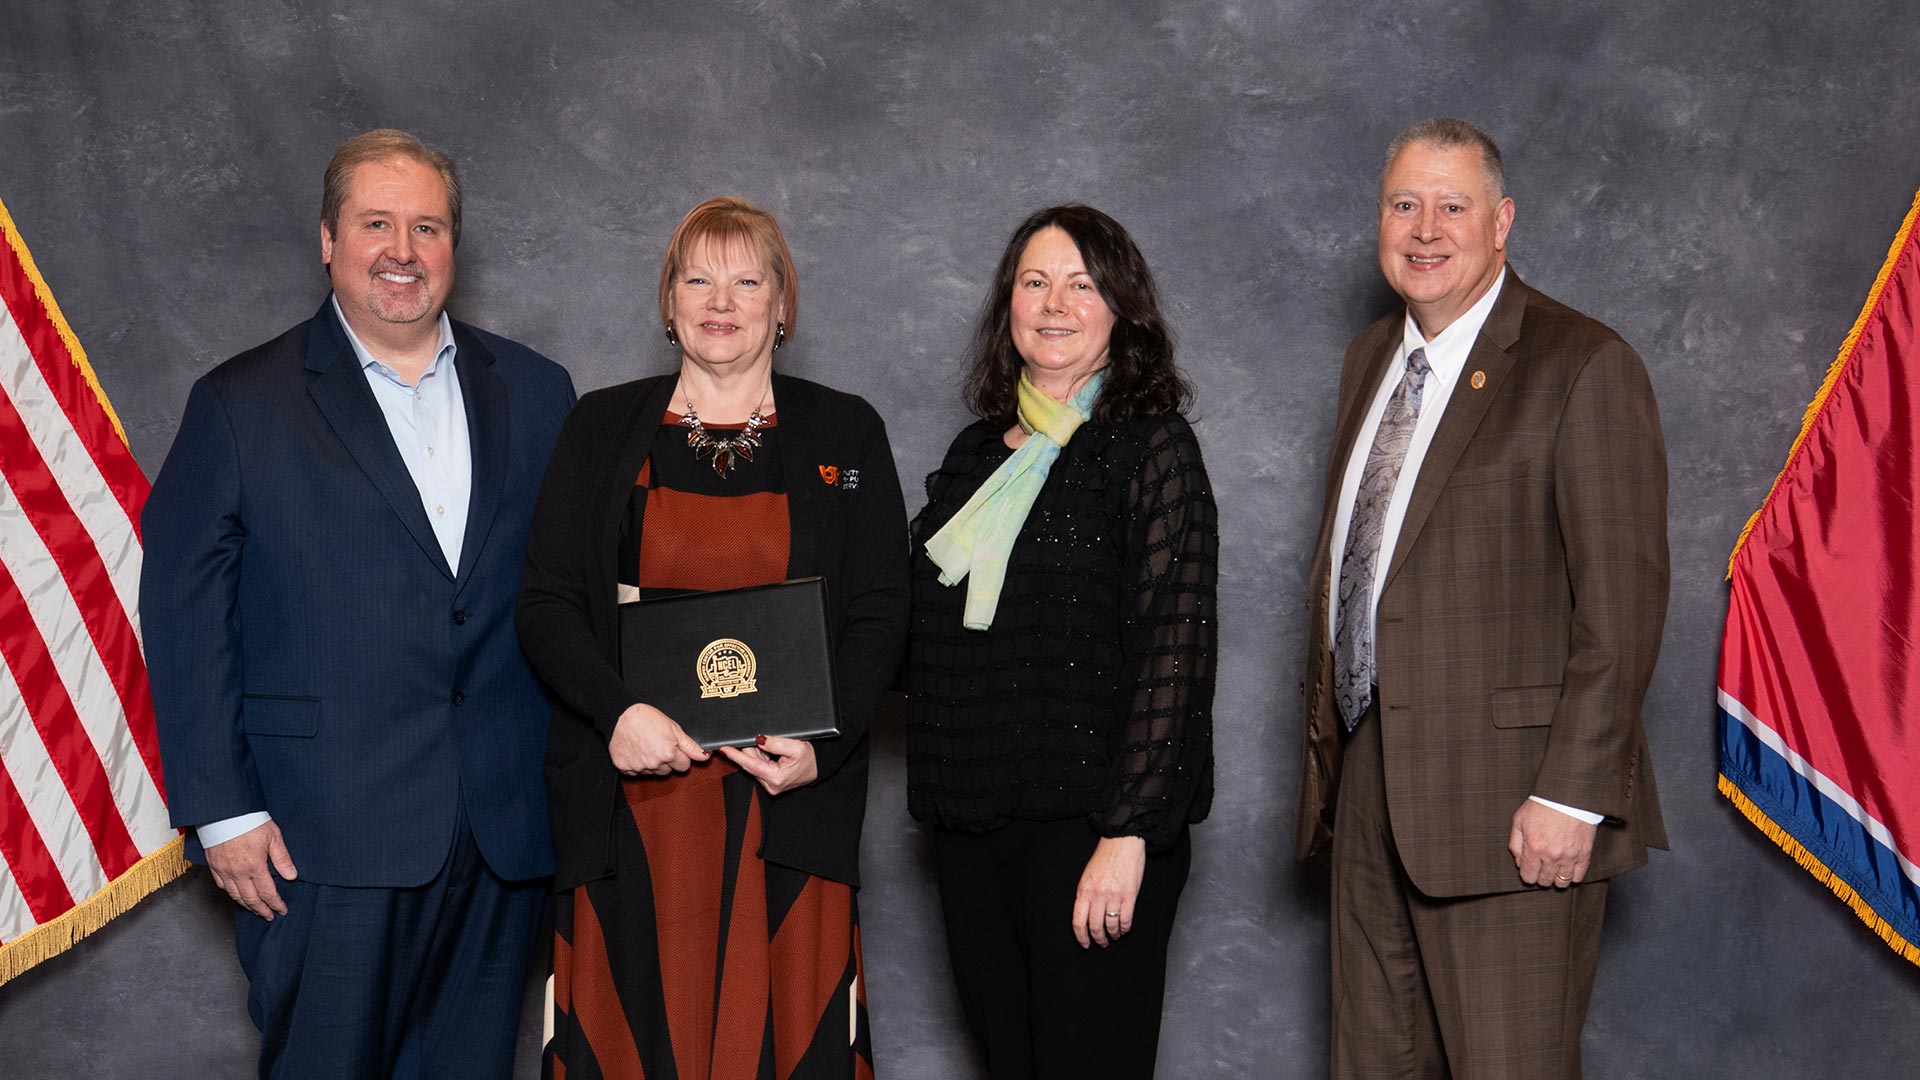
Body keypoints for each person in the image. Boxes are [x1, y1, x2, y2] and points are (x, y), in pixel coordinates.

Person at [141, 129, 576, 1078]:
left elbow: (570, 595)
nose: (403, 250)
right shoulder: (238, 404)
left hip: (501, 832)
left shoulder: (541, 394)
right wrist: (221, 812)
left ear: (455, 246)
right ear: (328, 241)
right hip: (317, 839)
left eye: (427, 226)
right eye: (377, 223)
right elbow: (183, 615)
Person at [1295, 117, 1670, 1079]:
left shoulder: (1582, 364)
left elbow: (1622, 608)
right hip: (1370, 782)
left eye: (1452, 206)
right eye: (1404, 205)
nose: (1426, 229)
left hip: (1516, 808)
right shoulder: (1369, 359)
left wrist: (1572, 795)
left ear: (1500, 222)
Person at [516, 196, 909, 1077]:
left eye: (746, 279)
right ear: (668, 304)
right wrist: (615, 712)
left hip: (787, 803)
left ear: (782, 304)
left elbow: (883, 607)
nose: (719, 299)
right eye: (697, 278)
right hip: (633, 809)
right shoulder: (600, 428)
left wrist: (827, 741)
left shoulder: (846, 432)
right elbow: (545, 604)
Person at [905, 204, 1218, 1079]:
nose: (1054, 303)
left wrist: (1128, 837)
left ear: (1121, 308)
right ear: (1008, 305)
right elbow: (916, 636)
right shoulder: (974, 458)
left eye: (1082, 285)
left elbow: (1176, 650)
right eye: (1035, 282)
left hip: (1095, 833)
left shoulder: (1152, 451)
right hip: (974, 828)